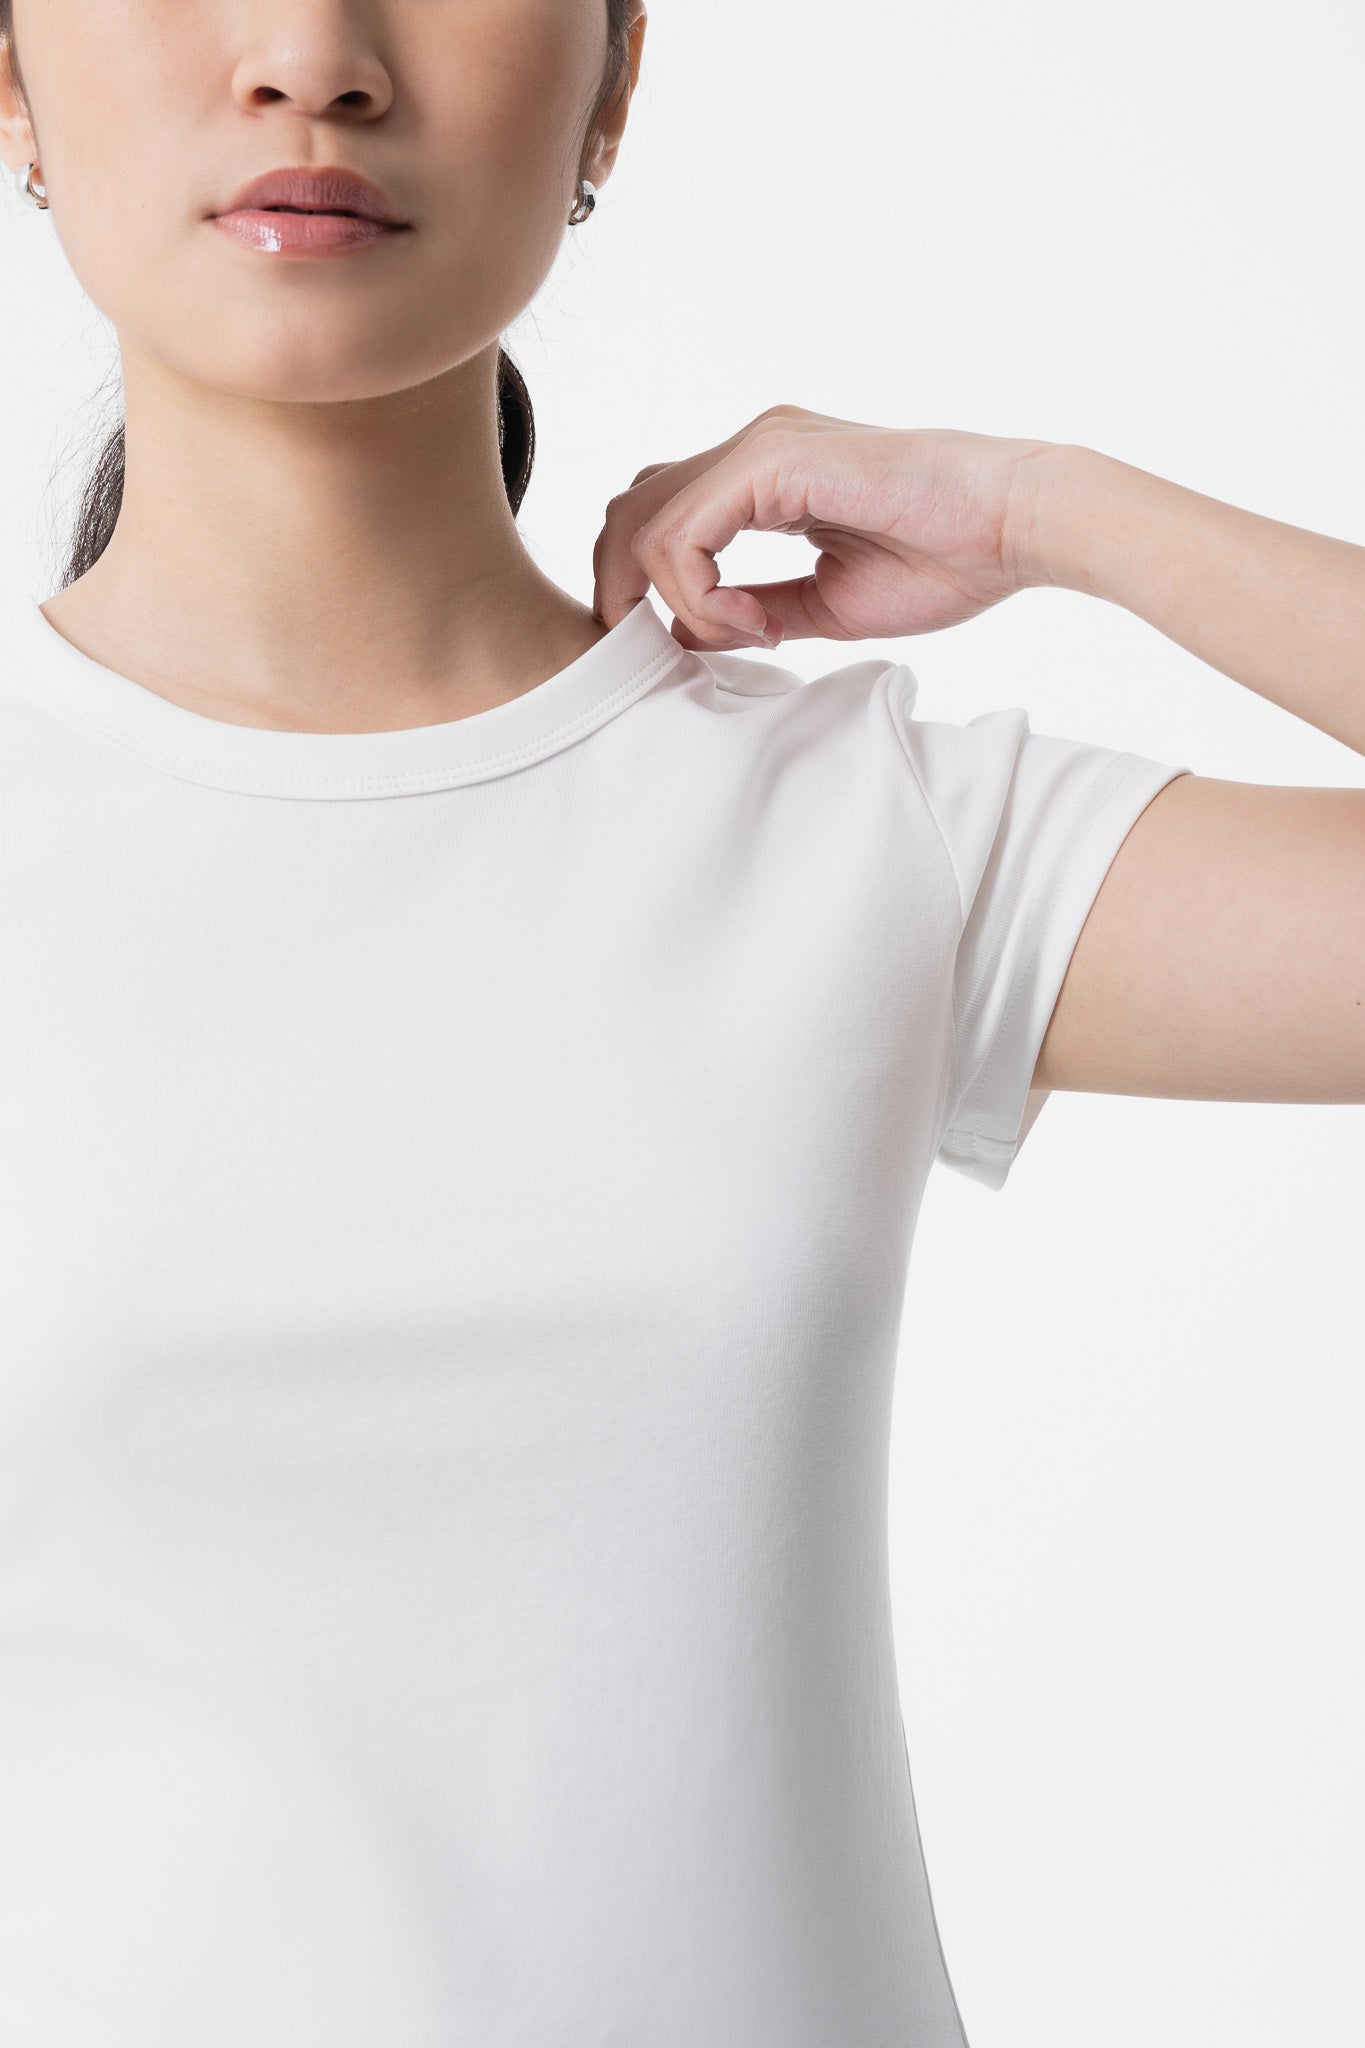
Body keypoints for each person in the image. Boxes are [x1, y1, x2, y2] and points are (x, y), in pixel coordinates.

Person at [0, 4, 1360, 2044]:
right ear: (9, 75)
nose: (311, 54)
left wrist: (1048, 509)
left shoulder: (860, 828)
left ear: (612, 84)